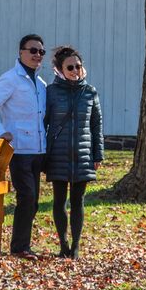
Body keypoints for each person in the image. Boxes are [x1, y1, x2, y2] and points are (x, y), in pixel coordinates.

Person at [0, 34, 48, 259]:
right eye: (32, 50)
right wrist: (0, 133)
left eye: (41, 52)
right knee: (27, 196)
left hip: (38, 150)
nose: (37, 55)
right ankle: (19, 247)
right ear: (21, 52)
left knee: (34, 201)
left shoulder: (41, 84)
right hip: (19, 150)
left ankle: (23, 245)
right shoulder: (10, 79)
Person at [43, 46, 103, 260]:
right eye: (70, 67)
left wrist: (98, 155)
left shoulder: (90, 92)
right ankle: (63, 244)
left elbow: (96, 125)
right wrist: (43, 154)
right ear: (60, 69)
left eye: (78, 66)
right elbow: (44, 123)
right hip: (58, 155)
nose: (75, 70)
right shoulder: (50, 92)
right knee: (59, 201)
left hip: (83, 154)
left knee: (78, 201)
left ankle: (75, 247)